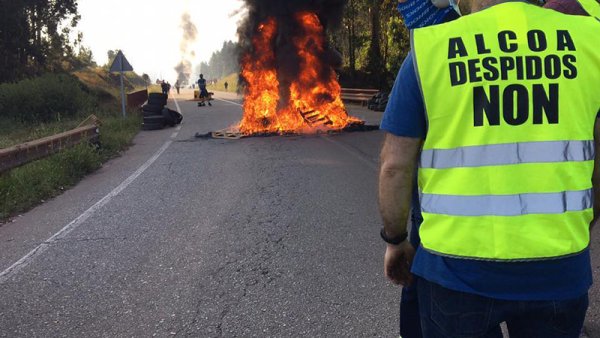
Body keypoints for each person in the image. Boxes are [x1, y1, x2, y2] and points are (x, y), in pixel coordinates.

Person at [379, 0, 600, 337]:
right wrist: (583, 223)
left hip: (456, 274)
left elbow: (395, 165)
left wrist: (395, 240)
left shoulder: (431, 48)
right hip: (558, 270)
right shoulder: (590, 39)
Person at [390, 1, 459, 337]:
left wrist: (394, 240)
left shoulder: (427, 55)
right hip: (552, 261)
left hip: (441, 221)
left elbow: (395, 165)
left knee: (419, 289)